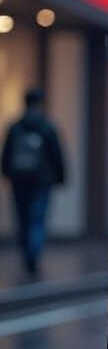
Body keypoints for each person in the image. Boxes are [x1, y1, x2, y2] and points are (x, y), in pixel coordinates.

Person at [1, 88, 66, 276]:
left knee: (22, 218)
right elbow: (56, 155)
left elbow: (6, 154)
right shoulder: (47, 127)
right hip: (41, 181)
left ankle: (26, 253)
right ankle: (33, 255)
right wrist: (60, 177)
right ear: (40, 103)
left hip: (19, 179)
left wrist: (7, 173)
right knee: (37, 218)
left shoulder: (15, 127)